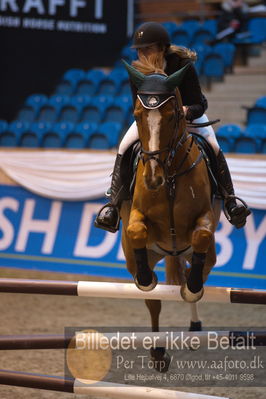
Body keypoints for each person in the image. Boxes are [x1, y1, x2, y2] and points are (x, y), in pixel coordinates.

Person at [95, 21, 250, 232]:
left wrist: (186, 111)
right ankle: (113, 205)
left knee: (213, 146)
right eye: (139, 49)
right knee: (124, 147)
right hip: (154, 123)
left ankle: (230, 201)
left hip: (189, 120)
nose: (141, 53)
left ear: (162, 46)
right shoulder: (138, 71)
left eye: (146, 48)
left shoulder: (181, 63)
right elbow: (137, 106)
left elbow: (200, 103)